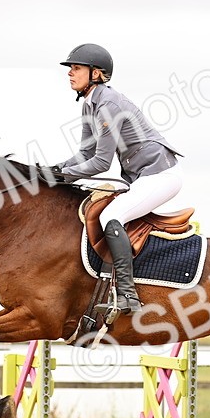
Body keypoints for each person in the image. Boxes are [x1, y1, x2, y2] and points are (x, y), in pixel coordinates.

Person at [48, 43, 183, 314]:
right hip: (143, 177)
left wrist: (61, 175)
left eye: (76, 68)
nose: (70, 73)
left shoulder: (107, 104)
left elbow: (99, 162)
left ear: (96, 73)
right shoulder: (90, 105)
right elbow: (84, 153)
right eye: (70, 69)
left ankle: (128, 294)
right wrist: (50, 171)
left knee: (111, 217)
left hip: (159, 175)